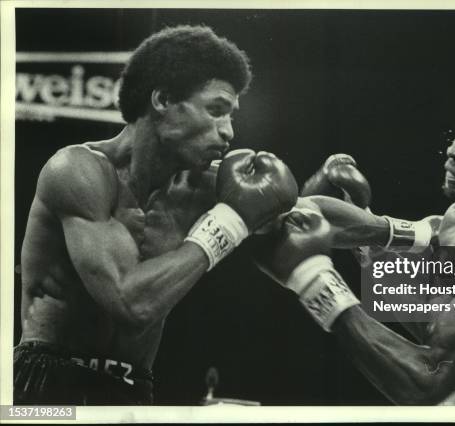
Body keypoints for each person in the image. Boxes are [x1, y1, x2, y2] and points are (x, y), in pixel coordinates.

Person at [14, 25, 298, 405]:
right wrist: (230, 221)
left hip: (135, 389)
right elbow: (131, 303)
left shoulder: (199, 187)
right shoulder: (77, 171)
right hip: (50, 383)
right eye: (216, 110)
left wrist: (396, 232)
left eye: (231, 115)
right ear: (163, 100)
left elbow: (304, 214)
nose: (229, 131)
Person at [256, 82, 455, 405]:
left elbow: (427, 383)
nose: (453, 149)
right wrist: (280, 210)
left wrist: (313, 279)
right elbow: (375, 235)